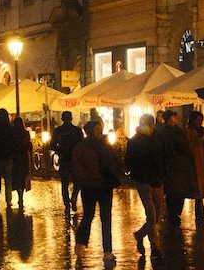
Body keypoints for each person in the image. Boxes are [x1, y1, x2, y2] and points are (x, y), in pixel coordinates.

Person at [71, 118, 124, 261]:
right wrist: (86, 178)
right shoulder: (82, 147)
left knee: (106, 217)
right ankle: (80, 242)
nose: (100, 132)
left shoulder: (105, 145)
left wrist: (118, 172)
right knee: (89, 215)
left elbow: (115, 160)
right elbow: (77, 166)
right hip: (90, 187)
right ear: (89, 132)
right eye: (96, 130)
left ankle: (107, 250)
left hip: (105, 185)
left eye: (100, 130)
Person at [124, 113, 164, 260]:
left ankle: (140, 234)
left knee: (157, 215)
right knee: (151, 214)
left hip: (157, 179)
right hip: (143, 180)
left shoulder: (158, 139)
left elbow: (163, 156)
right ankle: (155, 246)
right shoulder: (135, 141)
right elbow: (129, 160)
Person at [160, 109, 197, 225]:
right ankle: (173, 213)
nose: (176, 118)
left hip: (179, 166)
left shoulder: (178, 131)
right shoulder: (164, 132)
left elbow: (185, 147)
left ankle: (175, 213)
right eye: (174, 116)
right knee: (172, 192)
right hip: (171, 166)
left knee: (179, 192)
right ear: (170, 118)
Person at [50, 110, 83, 211]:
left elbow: (52, 145)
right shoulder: (77, 130)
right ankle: (73, 198)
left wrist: (59, 151)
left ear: (62, 119)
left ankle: (66, 204)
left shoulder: (58, 131)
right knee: (77, 181)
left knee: (64, 183)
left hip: (64, 158)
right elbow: (82, 144)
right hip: (75, 159)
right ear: (71, 118)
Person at [10, 117, 33, 209]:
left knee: (16, 176)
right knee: (23, 175)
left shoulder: (11, 133)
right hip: (23, 157)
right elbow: (28, 145)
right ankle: (21, 196)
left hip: (14, 157)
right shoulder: (25, 133)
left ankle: (19, 194)